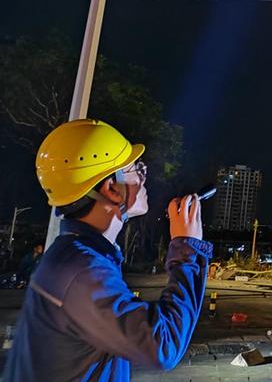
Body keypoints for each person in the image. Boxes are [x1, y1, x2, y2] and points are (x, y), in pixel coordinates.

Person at [3, 119, 212, 381]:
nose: (143, 176)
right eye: (136, 169)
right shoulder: (81, 272)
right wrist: (187, 249)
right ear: (112, 188)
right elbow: (162, 346)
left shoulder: (74, 257)